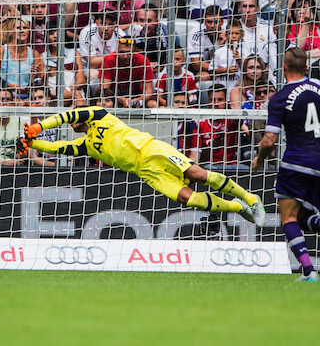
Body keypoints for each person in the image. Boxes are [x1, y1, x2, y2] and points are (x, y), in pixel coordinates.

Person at [21, 107, 265, 224]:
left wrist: (39, 126)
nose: (73, 121)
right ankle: (237, 207)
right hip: (145, 171)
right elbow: (59, 148)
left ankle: (251, 198)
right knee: (186, 199)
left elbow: (69, 115)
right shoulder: (86, 145)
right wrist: (32, 143)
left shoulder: (100, 115)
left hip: (152, 150)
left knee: (197, 174)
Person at [254, 47, 320, 281]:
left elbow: (269, 140)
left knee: (289, 218)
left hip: (297, 162)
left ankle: (309, 270)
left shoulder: (280, 98)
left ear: (283, 68)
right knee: (305, 217)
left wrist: (259, 160)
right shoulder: (319, 87)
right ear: (305, 67)